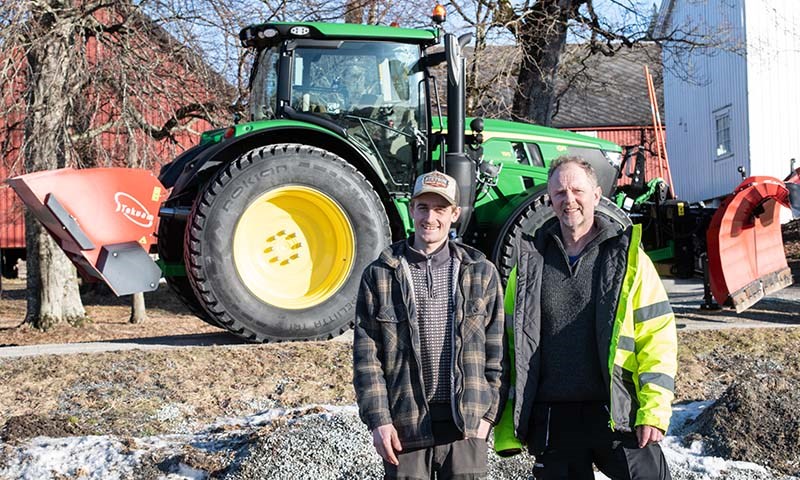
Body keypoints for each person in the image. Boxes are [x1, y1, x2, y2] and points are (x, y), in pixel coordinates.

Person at [495, 156, 677, 479]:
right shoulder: (528, 264)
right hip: (553, 417)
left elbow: (657, 337)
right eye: (559, 193)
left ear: (596, 195)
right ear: (549, 200)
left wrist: (653, 410)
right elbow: (510, 348)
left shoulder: (628, 258)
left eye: (577, 190)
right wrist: (508, 423)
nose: (569, 199)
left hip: (616, 408)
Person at [353, 170, 509, 479]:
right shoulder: (380, 273)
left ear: (455, 214)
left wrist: (487, 418)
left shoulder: (481, 272)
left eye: (440, 209)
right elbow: (367, 359)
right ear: (412, 209)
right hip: (405, 427)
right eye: (423, 207)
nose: (430, 217)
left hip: (465, 427)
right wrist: (379, 420)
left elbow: (497, 355)